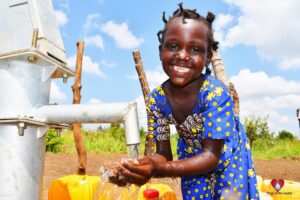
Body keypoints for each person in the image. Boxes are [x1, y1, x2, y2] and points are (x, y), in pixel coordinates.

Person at [113, 3, 260, 200]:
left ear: (207, 58)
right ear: (160, 51)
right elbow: (163, 153)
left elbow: (211, 156)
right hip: (190, 158)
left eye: (195, 49)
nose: (182, 55)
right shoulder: (156, 100)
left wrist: (158, 169)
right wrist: (143, 166)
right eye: (173, 46)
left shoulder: (215, 94)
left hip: (227, 158)